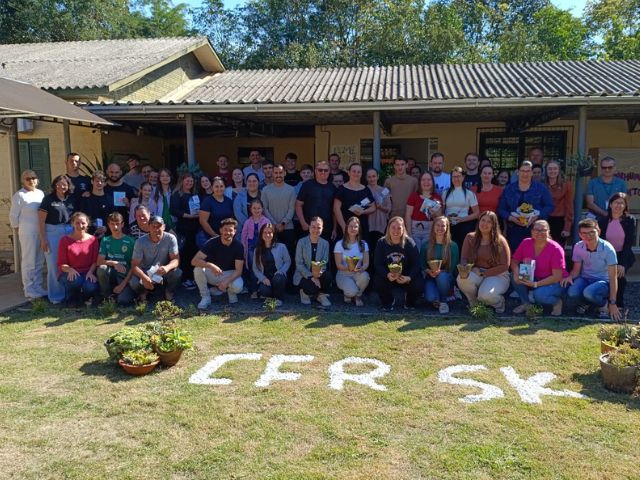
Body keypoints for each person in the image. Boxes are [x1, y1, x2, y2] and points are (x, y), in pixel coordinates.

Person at [562, 218, 621, 320]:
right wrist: (570, 277)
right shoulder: (578, 246)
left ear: (598, 231)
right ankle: (588, 304)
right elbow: (576, 270)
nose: (588, 236)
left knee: (589, 293)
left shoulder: (608, 249)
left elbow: (613, 277)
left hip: (603, 282)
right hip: (585, 278)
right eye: (584, 233)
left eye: (591, 232)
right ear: (580, 235)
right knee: (572, 292)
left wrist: (613, 303)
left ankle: (604, 304)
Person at [457, 211, 511, 313]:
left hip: (497, 274)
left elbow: (505, 266)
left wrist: (484, 273)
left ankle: (499, 303)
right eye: (483, 220)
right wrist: (470, 268)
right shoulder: (470, 237)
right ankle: (474, 303)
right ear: (479, 222)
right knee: (462, 278)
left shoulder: (500, 241)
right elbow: (464, 258)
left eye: (489, 222)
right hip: (476, 271)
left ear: (494, 225)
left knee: (485, 296)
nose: (485, 224)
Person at [510, 220, 566, 316]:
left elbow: (557, 277)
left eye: (543, 230)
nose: (539, 233)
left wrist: (535, 284)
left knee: (539, 295)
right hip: (534, 276)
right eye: (536, 230)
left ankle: (556, 302)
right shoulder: (526, 242)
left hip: (555, 281)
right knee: (513, 276)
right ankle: (526, 304)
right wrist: (516, 272)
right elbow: (514, 261)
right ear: (532, 231)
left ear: (548, 232)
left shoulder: (556, 249)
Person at [498, 160, 553, 252]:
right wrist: (511, 218)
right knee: (515, 255)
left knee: (534, 256)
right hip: (514, 230)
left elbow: (550, 206)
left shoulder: (541, 188)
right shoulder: (509, 189)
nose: (525, 174)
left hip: (536, 230)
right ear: (518, 172)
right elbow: (501, 209)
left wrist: (537, 216)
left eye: (528, 171)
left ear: (531, 173)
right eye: (523, 171)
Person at [124, 216, 181, 303]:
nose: (156, 229)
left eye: (159, 226)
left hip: (162, 271)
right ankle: (143, 294)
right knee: (133, 281)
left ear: (164, 227)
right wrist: (144, 278)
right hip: (145, 272)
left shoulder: (171, 238)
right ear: (148, 227)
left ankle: (168, 292)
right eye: (153, 226)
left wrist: (167, 267)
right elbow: (134, 265)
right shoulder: (140, 242)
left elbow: (176, 260)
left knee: (177, 272)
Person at [38, 174, 76, 304]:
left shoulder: (71, 199)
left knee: (69, 263)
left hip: (69, 231)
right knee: (54, 265)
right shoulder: (48, 199)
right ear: (54, 186)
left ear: (68, 186)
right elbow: (41, 221)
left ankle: (69, 294)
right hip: (52, 232)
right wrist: (43, 239)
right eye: (58, 184)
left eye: (64, 184)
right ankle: (56, 297)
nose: (61, 186)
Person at [192, 218, 244, 309]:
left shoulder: (238, 246)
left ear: (235, 231)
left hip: (230, 274)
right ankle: (205, 297)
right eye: (225, 230)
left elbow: (238, 271)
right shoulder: (212, 242)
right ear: (220, 230)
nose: (228, 233)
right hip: (214, 273)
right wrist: (210, 265)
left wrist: (226, 282)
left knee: (238, 287)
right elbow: (194, 261)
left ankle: (230, 291)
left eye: (230, 230)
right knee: (198, 269)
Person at [373, 216, 423, 311]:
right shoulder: (381, 242)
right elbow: (377, 264)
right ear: (388, 228)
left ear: (403, 229)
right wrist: (387, 274)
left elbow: (416, 264)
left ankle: (409, 302)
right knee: (378, 281)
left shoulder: (409, 242)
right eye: (393, 227)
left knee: (418, 284)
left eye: (399, 228)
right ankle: (388, 301)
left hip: (405, 276)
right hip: (389, 276)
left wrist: (409, 277)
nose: (396, 231)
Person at [10, 169, 46, 299]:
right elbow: (13, 216)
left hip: (40, 231)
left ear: (37, 179)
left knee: (39, 260)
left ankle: (38, 286)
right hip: (27, 232)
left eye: (33, 178)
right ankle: (29, 288)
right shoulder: (19, 195)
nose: (31, 180)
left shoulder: (40, 193)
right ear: (23, 181)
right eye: (28, 178)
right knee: (29, 260)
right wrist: (18, 229)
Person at [598, 193, 635, 311]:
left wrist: (622, 264)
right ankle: (603, 302)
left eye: (621, 203)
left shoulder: (630, 221)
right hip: (606, 255)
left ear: (625, 206)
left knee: (620, 277)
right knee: (605, 278)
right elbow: (600, 242)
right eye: (616, 202)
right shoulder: (602, 221)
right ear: (610, 204)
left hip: (623, 254)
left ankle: (618, 303)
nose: (618, 205)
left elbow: (628, 244)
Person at [57, 212, 99, 305]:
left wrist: (91, 272)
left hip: (87, 272)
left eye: (83, 223)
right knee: (76, 280)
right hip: (70, 273)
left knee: (90, 287)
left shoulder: (93, 240)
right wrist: (70, 269)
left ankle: (82, 298)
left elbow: (95, 261)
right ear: (72, 223)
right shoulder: (65, 240)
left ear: (87, 224)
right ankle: (71, 298)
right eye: (77, 223)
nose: (80, 226)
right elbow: (61, 263)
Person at [420, 216, 459, 314]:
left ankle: (444, 301)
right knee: (430, 298)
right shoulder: (426, 245)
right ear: (433, 227)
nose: (440, 228)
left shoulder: (453, 246)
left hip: (446, 277)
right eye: (438, 225)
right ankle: (440, 296)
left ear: (447, 228)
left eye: (443, 226)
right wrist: (429, 271)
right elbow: (422, 264)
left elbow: (454, 268)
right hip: (431, 277)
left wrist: (441, 272)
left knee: (441, 276)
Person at [96, 212, 135, 304]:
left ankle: (124, 293)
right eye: (112, 224)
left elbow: (134, 267)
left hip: (125, 277)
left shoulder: (131, 241)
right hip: (110, 274)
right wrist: (114, 263)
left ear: (122, 224)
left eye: (117, 224)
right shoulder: (105, 240)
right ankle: (107, 296)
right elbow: (99, 261)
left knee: (123, 301)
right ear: (108, 225)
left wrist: (122, 285)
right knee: (102, 269)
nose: (115, 227)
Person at [170, 173, 201, 290]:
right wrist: (187, 216)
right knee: (185, 253)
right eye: (187, 181)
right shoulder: (177, 195)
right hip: (183, 228)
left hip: (195, 228)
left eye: (191, 181)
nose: (189, 183)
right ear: (182, 181)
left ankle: (193, 277)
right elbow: (173, 210)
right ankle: (185, 278)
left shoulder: (195, 194)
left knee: (194, 252)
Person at [261, 163, 297, 263]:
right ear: (272, 174)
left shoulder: (291, 190)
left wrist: (283, 223)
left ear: (285, 173)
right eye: (276, 173)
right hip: (271, 229)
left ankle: (289, 273)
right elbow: (264, 208)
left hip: (288, 228)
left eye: (280, 173)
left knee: (289, 255)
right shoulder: (266, 190)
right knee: (273, 255)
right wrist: (273, 224)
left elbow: (292, 208)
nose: (278, 175)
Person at [294, 216, 332, 307]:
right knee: (311, 287)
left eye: (319, 227)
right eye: (313, 227)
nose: (316, 230)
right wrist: (311, 277)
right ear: (309, 227)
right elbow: (299, 263)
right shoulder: (301, 242)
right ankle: (304, 292)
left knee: (328, 276)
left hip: (318, 273)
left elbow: (324, 261)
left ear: (322, 228)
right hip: (304, 274)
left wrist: (318, 274)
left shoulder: (325, 243)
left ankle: (320, 295)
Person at [296, 160, 337, 242]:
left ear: (329, 171)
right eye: (320, 170)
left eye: (326, 170)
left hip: (326, 229)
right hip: (308, 227)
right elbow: (298, 205)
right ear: (315, 171)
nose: (323, 172)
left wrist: (334, 229)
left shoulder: (333, 188)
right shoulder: (307, 185)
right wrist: (303, 223)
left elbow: (334, 211)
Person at [334, 217, 370, 306]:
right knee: (351, 292)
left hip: (357, 273)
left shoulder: (363, 244)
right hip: (343, 274)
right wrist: (349, 268)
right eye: (351, 226)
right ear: (347, 227)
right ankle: (349, 294)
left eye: (355, 226)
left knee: (365, 276)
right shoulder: (339, 244)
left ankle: (357, 296)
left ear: (359, 229)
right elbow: (338, 265)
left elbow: (366, 263)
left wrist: (361, 269)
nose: (353, 228)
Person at [252, 223, 291, 306]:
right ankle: (269, 297)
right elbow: (255, 268)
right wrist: (263, 278)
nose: (267, 235)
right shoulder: (257, 250)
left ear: (273, 234)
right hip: (266, 278)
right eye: (265, 232)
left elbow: (288, 261)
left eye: (270, 232)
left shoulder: (282, 247)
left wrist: (281, 271)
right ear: (261, 234)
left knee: (278, 279)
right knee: (264, 290)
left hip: (278, 276)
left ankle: (278, 299)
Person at [333, 163, 376, 237]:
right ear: (349, 173)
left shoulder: (366, 190)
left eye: (358, 172)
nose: (356, 174)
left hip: (362, 227)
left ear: (361, 174)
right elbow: (336, 209)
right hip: (345, 226)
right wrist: (344, 226)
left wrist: (363, 212)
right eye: (354, 171)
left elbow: (373, 207)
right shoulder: (341, 189)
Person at [443, 167, 480, 250]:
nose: (456, 179)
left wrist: (462, 219)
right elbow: (442, 211)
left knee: (462, 249)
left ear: (463, 177)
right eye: (454, 176)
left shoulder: (470, 194)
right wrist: (446, 218)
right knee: (449, 249)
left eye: (459, 176)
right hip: (448, 226)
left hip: (464, 226)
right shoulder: (445, 193)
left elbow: (477, 213)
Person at [241, 199, 271, 297]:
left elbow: (269, 234)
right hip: (250, 247)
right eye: (254, 208)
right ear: (250, 209)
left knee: (262, 267)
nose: (256, 210)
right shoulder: (247, 222)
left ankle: (262, 289)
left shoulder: (266, 221)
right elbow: (243, 236)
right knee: (252, 268)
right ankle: (253, 290)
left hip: (261, 247)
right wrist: (244, 249)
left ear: (262, 209)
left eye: (259, 208)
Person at [405, 171, 442, 249]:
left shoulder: (437, 197)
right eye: (423, 180)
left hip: (430, 230)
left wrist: (433, 214)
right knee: (416, 252)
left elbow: (439, 218)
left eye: (429, 180)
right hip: (414, 231)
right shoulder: (413, 196)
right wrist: (409, 233)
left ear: (432, 181)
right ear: (420, 182)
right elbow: (408, 215)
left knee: (427, 252)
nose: (426, 182)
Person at [198, 177, 234, 247]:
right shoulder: (207, 202)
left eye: (221, 186)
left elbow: (231, 219)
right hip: (207, 237)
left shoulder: (229, 201)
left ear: (225, 187)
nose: (219, 189)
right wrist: (214, 235)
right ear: (212, 188)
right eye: (216, 186)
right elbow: (203, 221)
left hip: (224, 236)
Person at [544, 160, 573, 245]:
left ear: (559, 170)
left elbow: (569, 206)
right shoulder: (541, 184)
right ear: (546, 170)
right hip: (544, 219)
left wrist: (567, 228)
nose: (552, 171)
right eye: (550, 169)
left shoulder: (566, 185)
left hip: (559, 220)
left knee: (557, 247)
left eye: (555, 168)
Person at [365, 168, 391, 264]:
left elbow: (388, 208)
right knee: (368, 251)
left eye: (373, 176)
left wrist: (380, 207)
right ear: (366, 178)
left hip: (381, 225)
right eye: (369, 177)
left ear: (378, 177)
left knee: (380, 252)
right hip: (367, 225)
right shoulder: (363, 190)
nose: (372, 179)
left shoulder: (384, 191)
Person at [80, 170, 114, 239]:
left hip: (106, 236)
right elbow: (82, 217)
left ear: (105, 183)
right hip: (88, 235)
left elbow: (113, 217)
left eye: (102, 181)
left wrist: (106, 228)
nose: (99, 183)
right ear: (92, 182)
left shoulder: (110, 199)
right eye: (97, 181)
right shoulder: (85, 199)